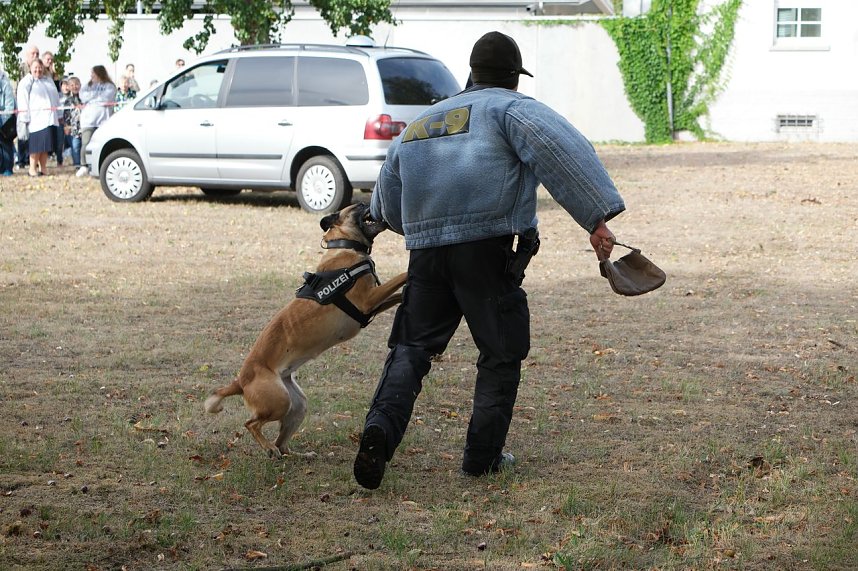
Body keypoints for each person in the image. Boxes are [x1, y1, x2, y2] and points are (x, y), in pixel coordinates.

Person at [353, 31, 626, 490]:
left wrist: (411, 227)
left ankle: (380, 427)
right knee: (501, 352)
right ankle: (483, 458)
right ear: (514, 78)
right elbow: (562, 152)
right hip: (487, 253)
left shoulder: (420, 123)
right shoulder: (511, 108)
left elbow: (386, 199)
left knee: (411, 349)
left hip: (426, 256)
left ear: (472, 73)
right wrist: (596, 218)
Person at [17, 58, 61, 176]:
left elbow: (56, 97)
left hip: (49, 118)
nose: (38, 70)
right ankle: (32, 169)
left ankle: (43, 168)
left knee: (46, 145)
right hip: (35, 120)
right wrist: (24, 117)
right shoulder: (27, 82)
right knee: (36, 147)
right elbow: (23, 100)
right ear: (30, 68)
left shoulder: (48, 80)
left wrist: (59, 114)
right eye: (35, 67)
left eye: (40, 67)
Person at [76, 65, 116, 177]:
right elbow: (83, 96)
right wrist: (95, 96)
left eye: (93, 73)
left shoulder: (109, 86)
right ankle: (84, 165)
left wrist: (92, 98)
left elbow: (106, 98)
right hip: (88, 120)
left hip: (103, 120)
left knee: (102, 143)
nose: (91, 76)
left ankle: (102, 165)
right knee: (86, 143)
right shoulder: (87, 86)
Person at [16, 45, 39, 170]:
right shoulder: (21, 69)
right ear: (27, 55)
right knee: (23, 136)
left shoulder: (41, 69)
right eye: (33, 53)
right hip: (22, 107)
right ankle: (21, 161)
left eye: (37, 53)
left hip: (36, 110)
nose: (35, 56)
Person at [62, 76, 83, 167]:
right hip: (74, 128)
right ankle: (77, 164)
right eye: (72, 85)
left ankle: (85, 164)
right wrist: (66, 126)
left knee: (84, 147)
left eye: (76, 84)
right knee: (75, 147)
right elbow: (66, 114)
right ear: (69, 87)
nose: (75, 87)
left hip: (84, 127)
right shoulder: (68, 101)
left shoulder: (84, 99)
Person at [0, 70, 15, 176]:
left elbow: (10, 104)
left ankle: (7, 169)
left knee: (6, 145)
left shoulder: (5, 83)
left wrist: (4, 120)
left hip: (4, 120)